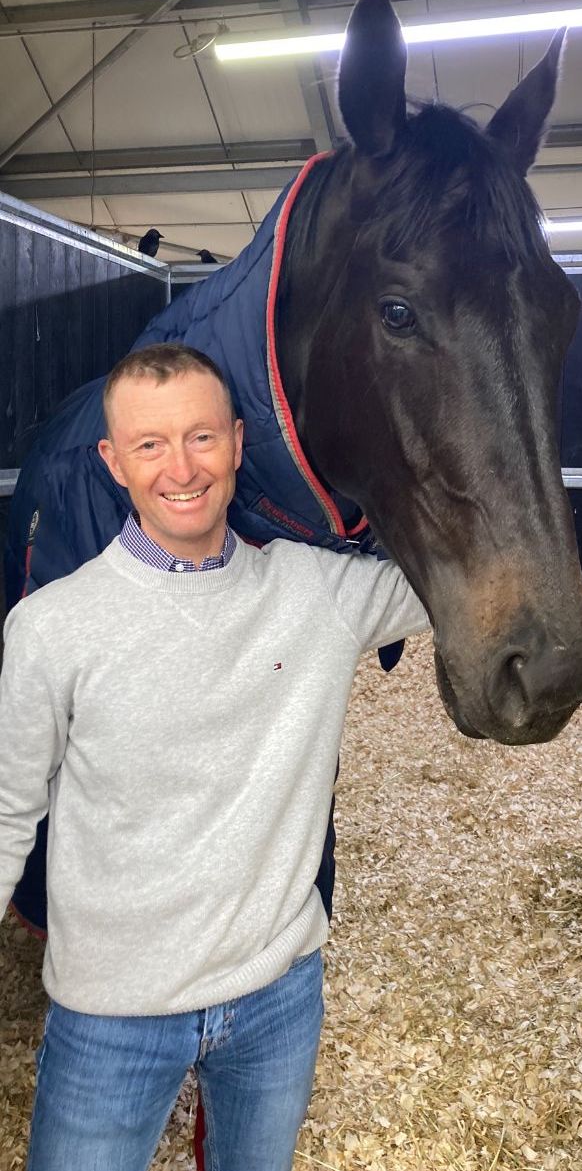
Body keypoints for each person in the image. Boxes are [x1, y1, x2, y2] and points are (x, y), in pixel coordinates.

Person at [0, 343, 429, 1171]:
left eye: (201, 437)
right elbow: (9, 803)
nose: (181, 467)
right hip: (111, 1016)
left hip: (276, 997)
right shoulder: (54, 628)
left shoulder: (316, 593)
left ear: (237, 443)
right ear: (113, 461)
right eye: (150, 444)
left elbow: (463, 572)